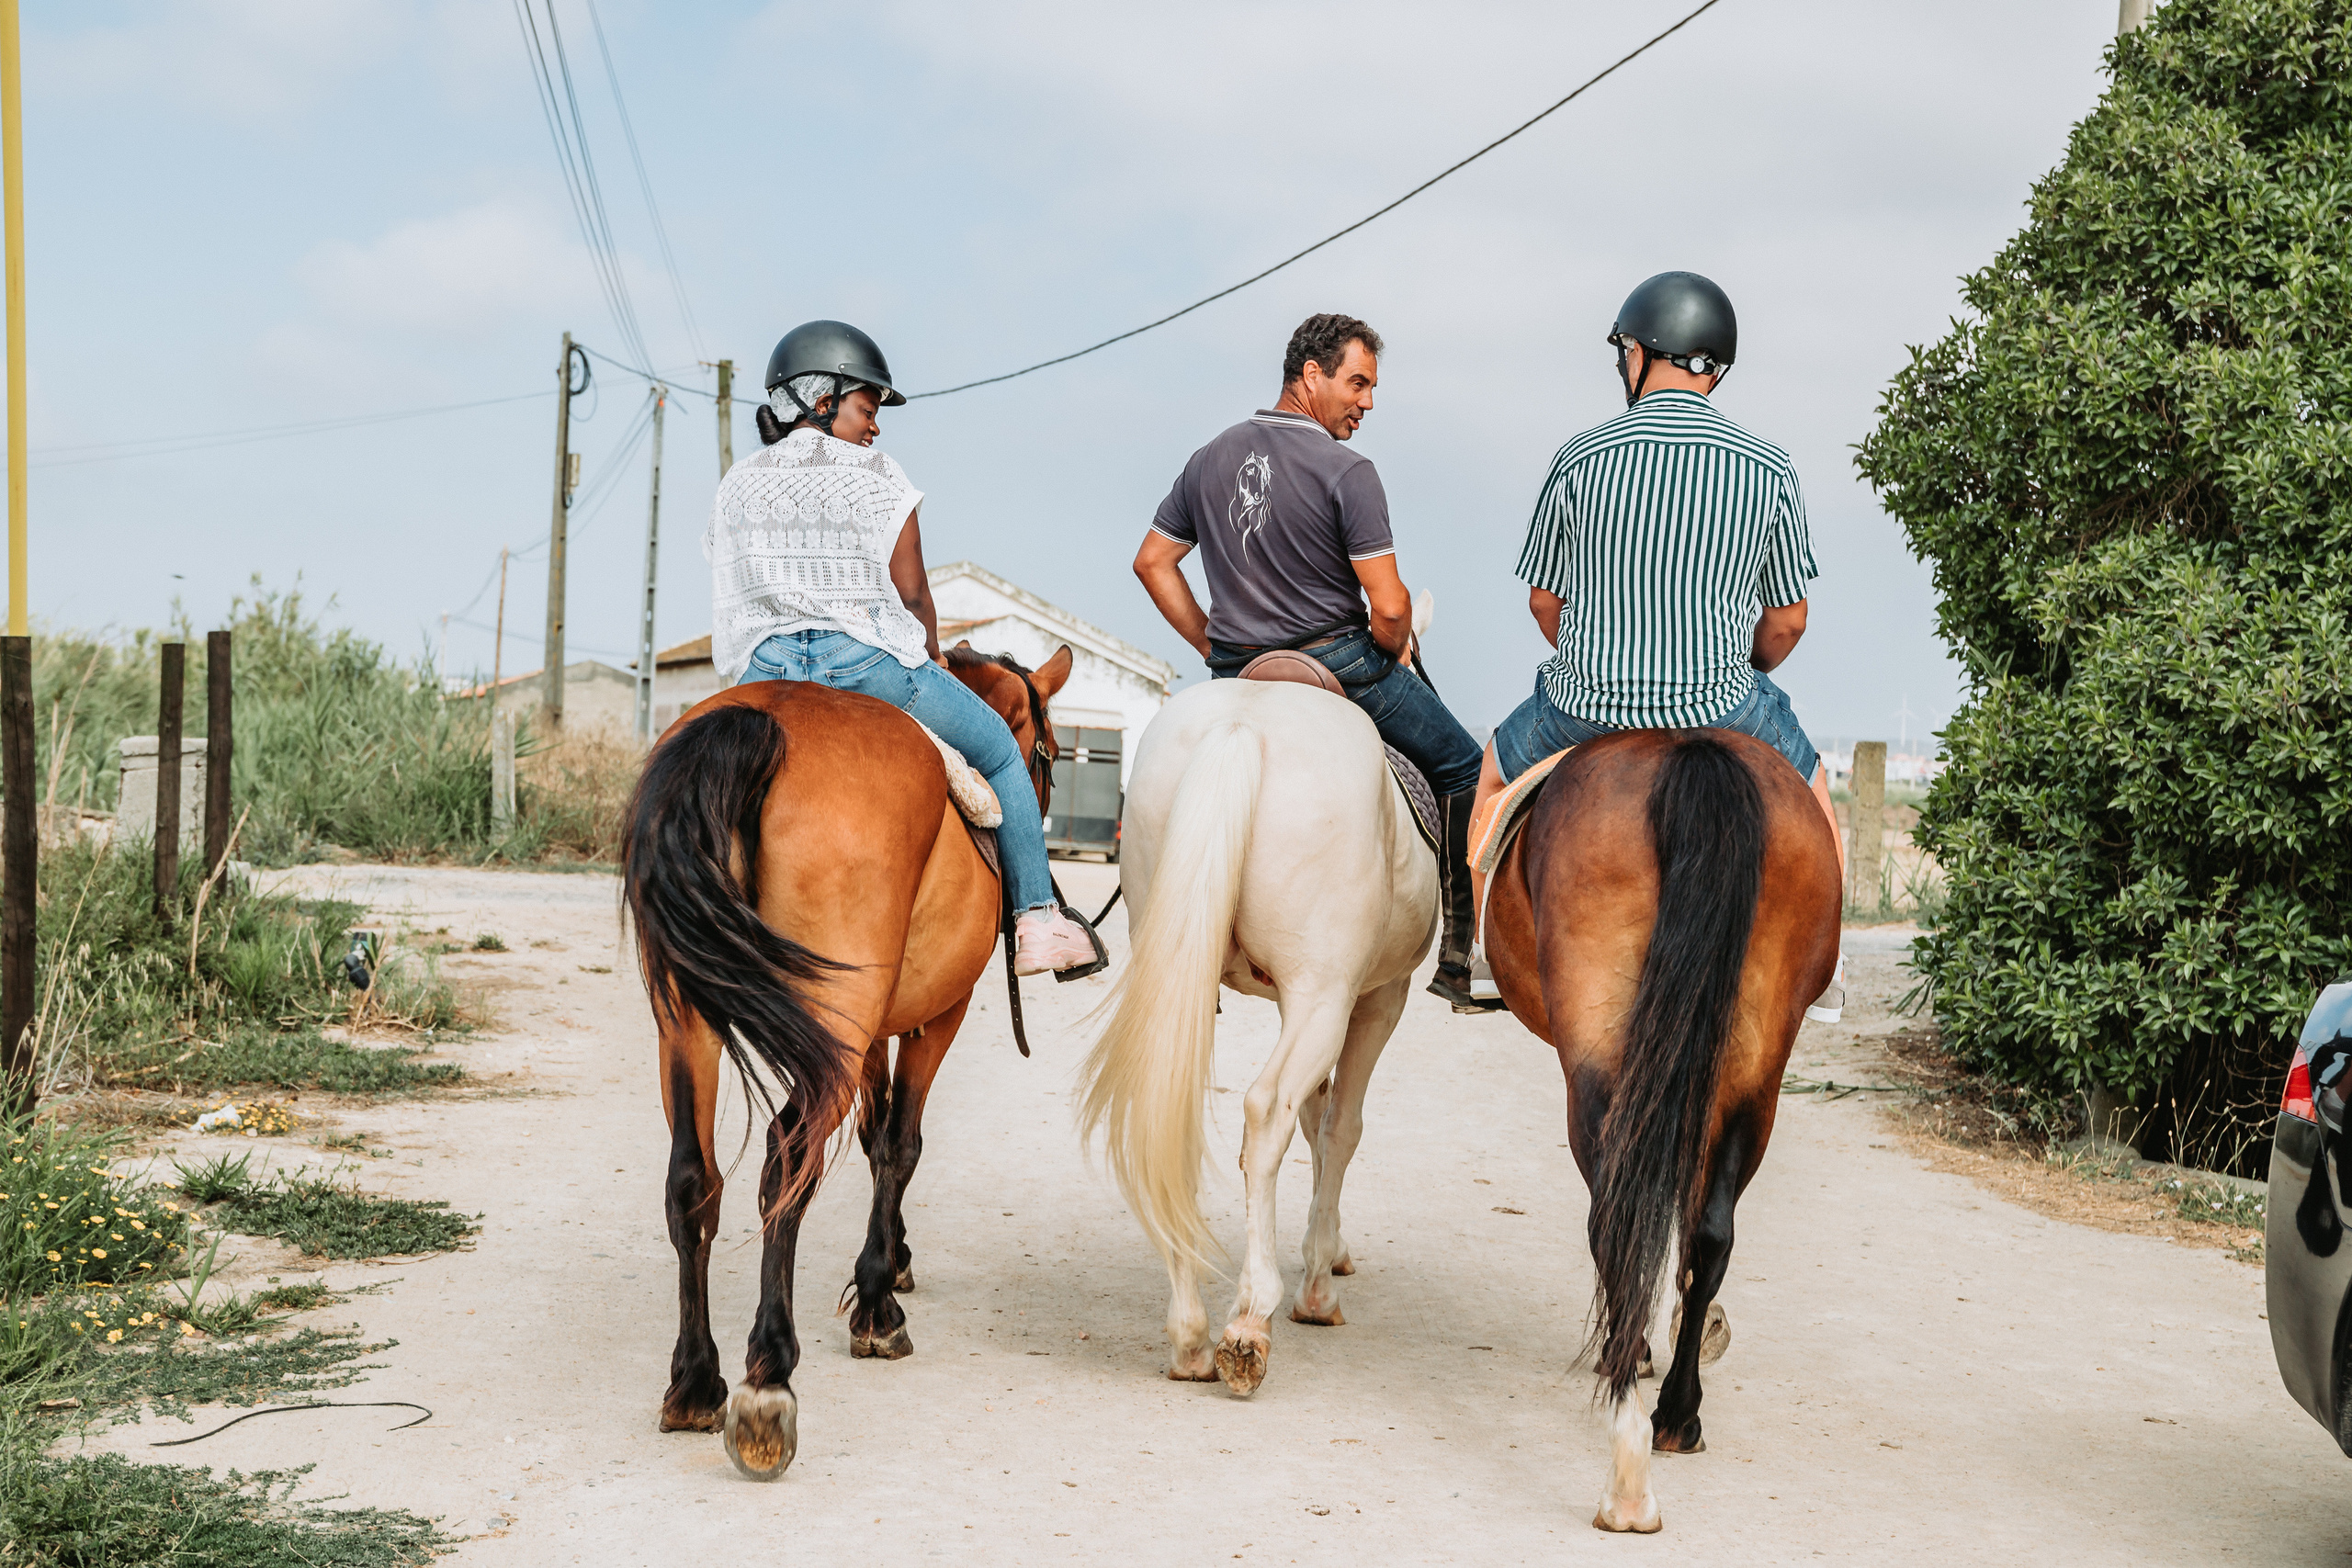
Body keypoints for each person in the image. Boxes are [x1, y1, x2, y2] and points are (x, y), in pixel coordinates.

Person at [1480, 271, 1849, 1021]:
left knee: (1487, 780)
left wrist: (1594, 651)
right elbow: (1789, 621)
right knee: (1816, 803)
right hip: (1719, 700)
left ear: (1647, 351)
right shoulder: (1768, 466)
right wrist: (1744, 670)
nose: (1623, 364)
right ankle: (1826, 968)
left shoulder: (1578, 457)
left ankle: (1483, 953)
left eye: (1625, 350)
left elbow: (1542, 599)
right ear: (1711, 363)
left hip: (1586, 702)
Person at [706, 319, 1097, 976]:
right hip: (864, 663)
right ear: (821, 399)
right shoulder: (878, 475)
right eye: (868, 407)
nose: (876, 426)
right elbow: (912, 595)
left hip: (762, 668)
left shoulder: (738, 483)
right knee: (1001, 748)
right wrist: (934, 657)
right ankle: (1037, 921)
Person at [1134, 312, 1497, 1011]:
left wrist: (1215, 646)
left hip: (1237, 672)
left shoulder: (1209, 456)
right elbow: (1389, 609)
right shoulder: (1348, 471)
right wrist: (1397, 645)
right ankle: (1460, 952)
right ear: (1311, 375)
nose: (1367, 402)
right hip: (1341, 664)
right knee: (1463, 766)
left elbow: (1153, 562)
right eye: (1357, 383)